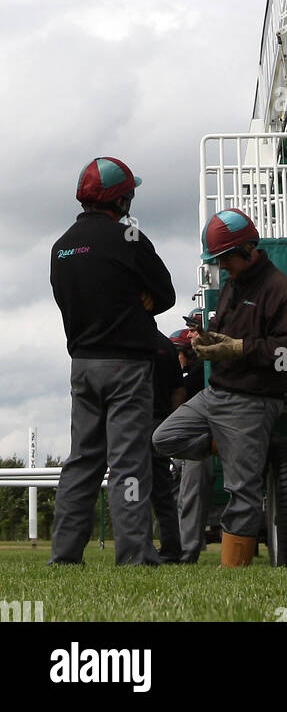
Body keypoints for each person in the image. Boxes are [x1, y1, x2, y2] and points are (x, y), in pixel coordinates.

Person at [152, 209, 287, 568]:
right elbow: (227, 332)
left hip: (252, 400)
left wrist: (237, 348)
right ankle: (226, 443)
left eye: (223, 259)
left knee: (242, 491)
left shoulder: (281, 290)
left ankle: (234, 570)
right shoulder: (231, 285)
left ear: (248, 249)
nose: (221, 266)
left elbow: (284, 352)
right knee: (163, 438)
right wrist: (209, 340)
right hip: (215, 395)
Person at [49, 156, 175, 566]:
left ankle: (65, 556)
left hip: (82, 365)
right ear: (122, 200)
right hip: (127, 367)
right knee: (128, 463)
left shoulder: (61, 247)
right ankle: (134, 555)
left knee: (81, 461)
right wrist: (141, 301)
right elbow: (167, 293)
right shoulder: (130, 238)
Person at [170, 323, 210, 564]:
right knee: (179, 492)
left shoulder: (199, 372)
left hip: (199, 439)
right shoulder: (195, 371)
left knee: (190, 491)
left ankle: (186, 551)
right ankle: (178, 546)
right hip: (190, 439)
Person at [150, 330, 185, 561]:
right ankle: (172, 549)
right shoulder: (166, 345)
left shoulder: (127, 339)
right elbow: (178, 390)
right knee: (163, 492)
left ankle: (137, 546)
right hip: (159, 423)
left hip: (131, 423)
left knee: (131, 488)